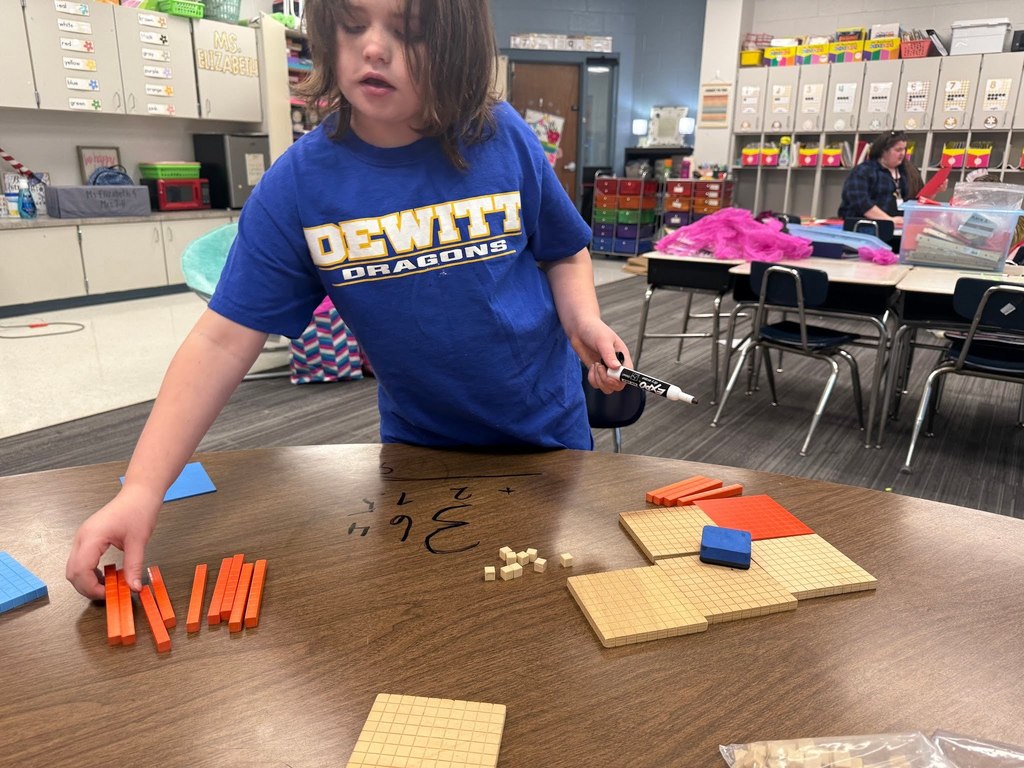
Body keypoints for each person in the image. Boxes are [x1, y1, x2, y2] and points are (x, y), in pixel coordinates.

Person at [66, 0, 630, 600]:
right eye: (353, 26)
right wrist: (142, 490)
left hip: (546, 433)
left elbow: (564, 251)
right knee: (428, 613)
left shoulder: (499, 135)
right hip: (422, 450)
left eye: (407, 32)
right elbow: (220, 340)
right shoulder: (301, 184)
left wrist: (583, 320)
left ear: (456, 43)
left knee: (541, 611)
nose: (374, 48)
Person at [838, 131, 923, 228]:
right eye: (898, 150)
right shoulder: (864, 171)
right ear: (884, 151)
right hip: (865, 228)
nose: (902, 153)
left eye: (904, 149)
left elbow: (915, 200)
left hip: (897, 227)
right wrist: (889, 220)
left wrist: (935, 190)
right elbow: (860, 202)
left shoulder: (906, 171)